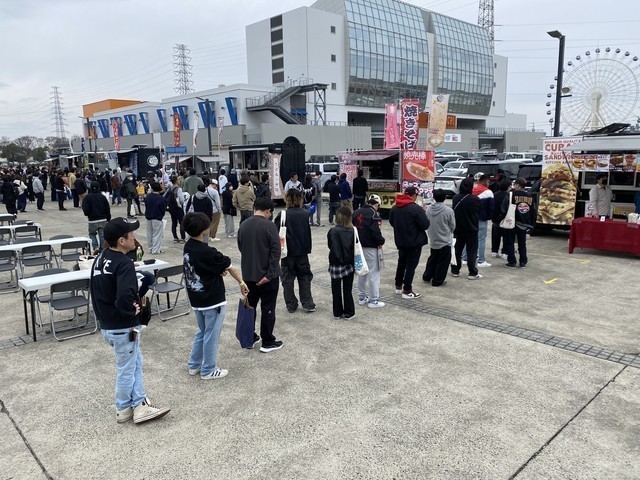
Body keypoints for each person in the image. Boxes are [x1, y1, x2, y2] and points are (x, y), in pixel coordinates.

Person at [91, 217, 171, 424]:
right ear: (121, 240)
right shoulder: (124, 263)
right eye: (131, 234)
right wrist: (132, 311)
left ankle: (135, 404)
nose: (134, 237)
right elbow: (125, 297)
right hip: (123, 326)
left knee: (135, 363)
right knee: (127, 369)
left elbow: (97, 291)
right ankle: (125, 407)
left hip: (108, 324)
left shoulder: (100, 258)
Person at [183, 212, 249, 379]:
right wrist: (241, 282)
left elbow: (206, 267)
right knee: (211, 335)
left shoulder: (188, 247)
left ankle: (194, 364)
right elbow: (229, 265)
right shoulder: (208, 252)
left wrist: (218, 270)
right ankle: (208, 369)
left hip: (196, 298)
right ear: (204, 230)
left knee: (202, 331)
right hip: (211, 300)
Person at [237, 197, 283, 353]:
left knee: (250, 307)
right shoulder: (269, 226)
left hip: (248, 274)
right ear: (268, 211)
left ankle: (249, 337)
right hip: (267, 276)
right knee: (268, 307)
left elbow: (241, 247)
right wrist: (269, 275)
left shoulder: (244, 225)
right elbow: (276, 252)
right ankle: (267, 341)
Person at [274, 188, 316, 314]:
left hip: (287, 252)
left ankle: (291, 304)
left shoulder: (282, 215)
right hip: (302, 251)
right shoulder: (305, 213)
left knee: (287, 279)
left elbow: (275, 231)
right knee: (305, 277)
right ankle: (307, 302)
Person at [388, 186, 430, 299]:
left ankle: (398, 286)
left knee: (401, 263)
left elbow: (391, 222)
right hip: (414, 241)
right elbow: (425, 224)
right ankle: (407, 290)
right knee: (411, 266)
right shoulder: (415, 208)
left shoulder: (394, 207)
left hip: (400, 240)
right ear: (413, 195)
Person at [353, 194, 385, 307]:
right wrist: (381, 241)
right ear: (377, 205)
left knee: (361, 272)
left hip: (357, 246)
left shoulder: (356, 212)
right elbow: (376, 232)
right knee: (373, 273)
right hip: (371, 247)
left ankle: (362, 297)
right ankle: (373, 299)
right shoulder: (374, 215)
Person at [422, 189, 455, 287]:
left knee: (433, 258)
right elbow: (453, 225)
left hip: (433, 238)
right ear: (445, 198)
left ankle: (427, 276)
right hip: (445, 239)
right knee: (443, 262)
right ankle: (437, 280)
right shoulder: (448, 210)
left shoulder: (429, 209)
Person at [327, 206, 356, 319]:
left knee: (336, 290)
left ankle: (337, 312)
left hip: (335, 263)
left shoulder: (332, 231)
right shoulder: (353, 231)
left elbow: (330, 245)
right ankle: (349, 312)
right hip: (348, 263)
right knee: (347, 289)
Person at [451, 178, 482, 280]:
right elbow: (479, 211)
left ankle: (455, 270)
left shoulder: (455, 198)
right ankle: (472, 272)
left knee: (457, 250)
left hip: (458, 228)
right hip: (472, 228)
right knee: (471, 251)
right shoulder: (475, 199)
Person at [503, 177, 534, 268]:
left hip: (511, 222)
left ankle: (512, 261)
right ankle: (523, 261)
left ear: (517, 185)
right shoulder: (530, 196)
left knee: (510, 242)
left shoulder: (511, 195)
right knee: (522, 243)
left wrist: (503, 217)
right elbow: (532, 210)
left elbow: (504, 208)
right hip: (523, 223)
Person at [82, 181, 112, 253]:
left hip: (92, 220)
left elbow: (85, 209)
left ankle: (95, 247)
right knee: (102, 235)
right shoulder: (102, 197)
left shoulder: (87, 197)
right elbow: (107, 208)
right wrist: (108, 218)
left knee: (92, 234)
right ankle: (103, 249)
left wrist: (87, 214)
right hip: (103, 219)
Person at [471, 173, 494, 267]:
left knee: (470, 238)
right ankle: (481, 260)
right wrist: (490, 217)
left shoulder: (472, 190)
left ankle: (465, 258)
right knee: (481, 239)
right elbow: (491, 208)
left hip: (471, 218)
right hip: (482, 218)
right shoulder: (488, 192)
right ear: (485, 181)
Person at [144, 182, 167, 254]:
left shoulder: (148, 197)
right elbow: (163, 209)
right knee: (157, 235)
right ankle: (156, 250)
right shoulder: (161, 198)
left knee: (149, 234)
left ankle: (150, 248)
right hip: (157, 217)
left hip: (148, 217)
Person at [490, 179, 510, 260]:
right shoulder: (509, 195)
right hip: (505, 219)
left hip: (495, 218)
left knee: (495, 236)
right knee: (506, 237)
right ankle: (504, 252)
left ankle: (494, 251)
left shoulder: (495, 194)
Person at [165, 175, 186, 243]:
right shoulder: (179, 189)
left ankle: (175, 237)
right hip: (178, 207)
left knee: (174, 222)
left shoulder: (170, 188)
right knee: (182, 222)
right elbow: (181, 200)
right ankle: (183, 238)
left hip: (171, 207)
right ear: (176, 181)